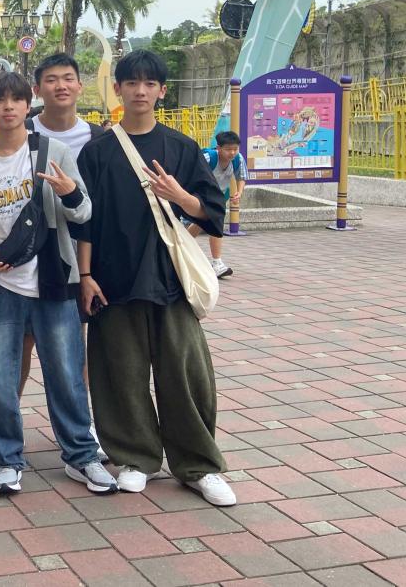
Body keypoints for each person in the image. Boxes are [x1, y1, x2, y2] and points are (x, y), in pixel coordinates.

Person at [77, 51, 235, 506]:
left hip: (170, 281)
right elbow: (84, 221)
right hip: (113, 278)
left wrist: (180, 195)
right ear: (118, 90)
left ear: (162, 91)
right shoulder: (98, 151)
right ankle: (135, 457)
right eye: (131, 82)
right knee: (120, 374)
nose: (140, 91)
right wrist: (85, 275)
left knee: (186, 374)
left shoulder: (181, 147)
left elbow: (212, 211)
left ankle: (198, 464)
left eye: (149, 84)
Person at [0, 73, 116, 496]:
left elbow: (84, 213)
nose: (8, 107)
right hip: (1, 284)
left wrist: (69, 193)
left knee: (66, 372)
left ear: (27, 105)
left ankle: (81, 455)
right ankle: (8, 457)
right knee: (1, 375)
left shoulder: (52, 151)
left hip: (53, 280)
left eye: (16, 99)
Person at [188, 131, 247, 278]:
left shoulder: (238, 159)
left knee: (201, 223)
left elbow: (241, 177)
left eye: (235, 149)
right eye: (228, 149)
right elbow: (189, 172)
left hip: (218, 196)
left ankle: (180, 247)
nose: (232, 153)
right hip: (200, 195)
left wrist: (239, 192)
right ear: (218, 148)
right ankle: (217, 263)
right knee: (215, 222)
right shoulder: (208, 158)